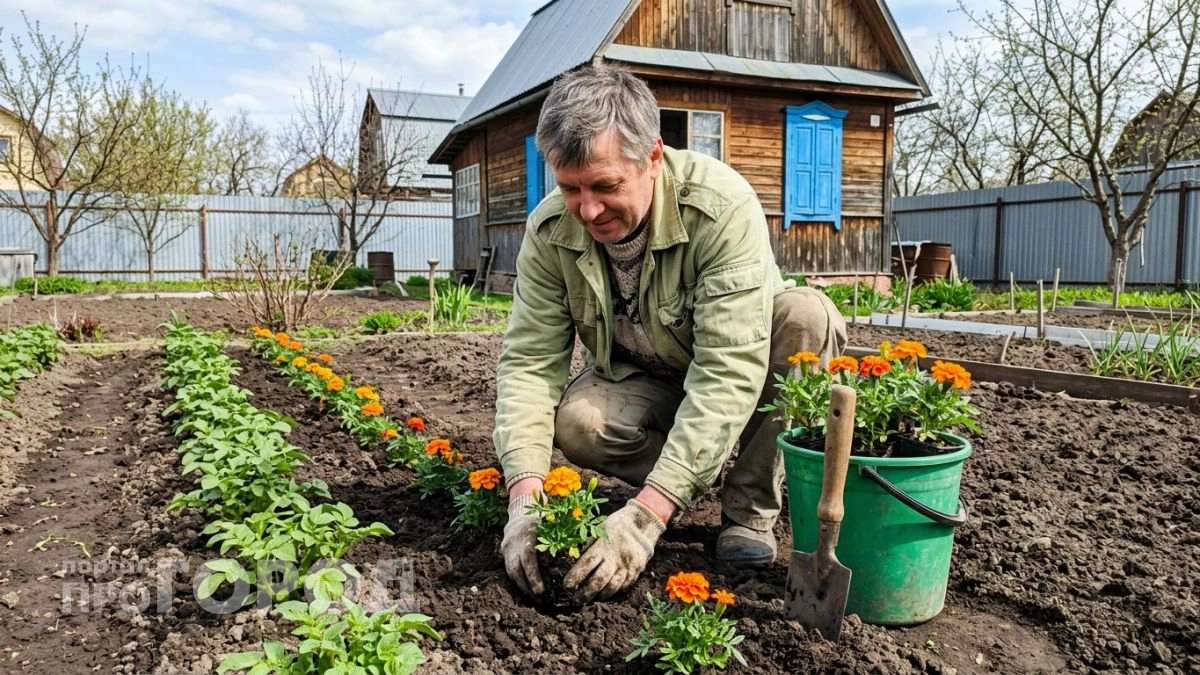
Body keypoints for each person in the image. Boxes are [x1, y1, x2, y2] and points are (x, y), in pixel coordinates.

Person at [495, 64, 846, 602]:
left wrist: (643, 522)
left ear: (653, 157)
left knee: (806, 317)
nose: (587, 209)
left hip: (743, 365)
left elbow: (729, 369)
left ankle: (748, 506)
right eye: (570, 188)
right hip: (646, 373)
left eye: (606, 186)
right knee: (581, 424)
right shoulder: (550, 231)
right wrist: (523, 501)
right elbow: (529, 363)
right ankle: (684, 476)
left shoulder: (719, 207)